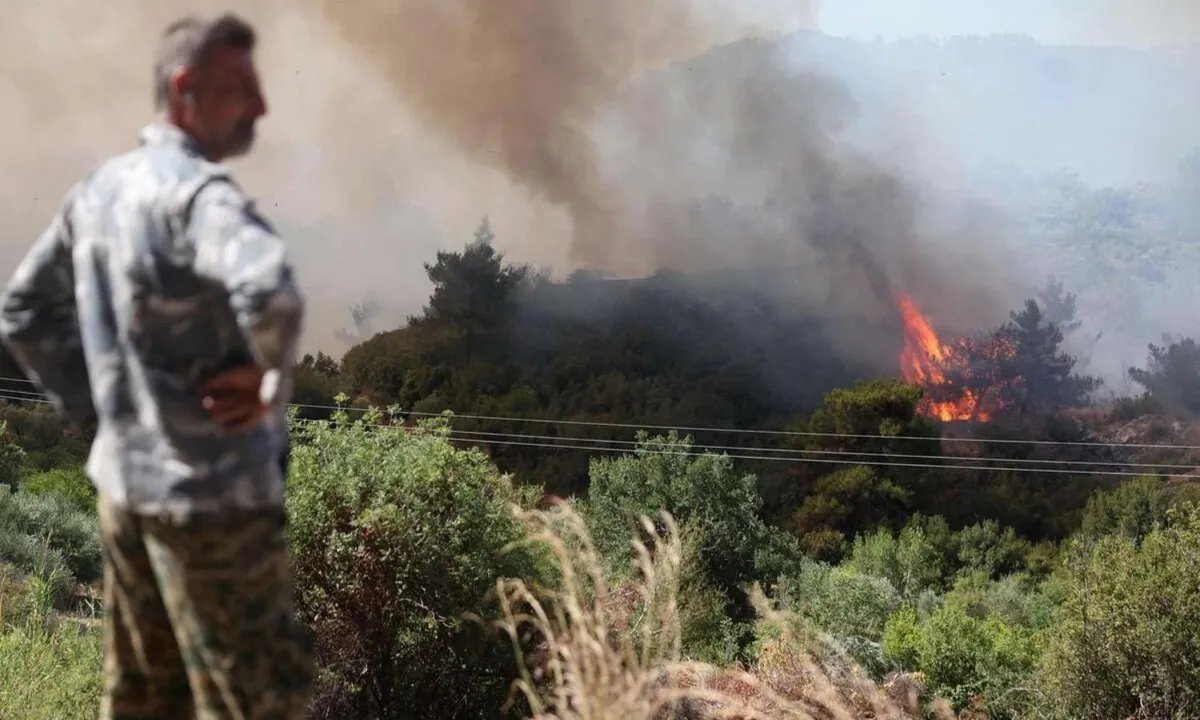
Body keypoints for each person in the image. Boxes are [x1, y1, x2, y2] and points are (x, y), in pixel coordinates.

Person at [0, 13, 313, 718]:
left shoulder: (99, 192)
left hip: (125, 497)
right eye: (243, 86)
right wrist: (271, 385)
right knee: (252, 703)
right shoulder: (199, 196)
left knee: (142, 701)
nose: (262, 105)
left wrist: (101, 416)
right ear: (185, 90)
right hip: (215, 507)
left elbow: (21, 313)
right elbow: (273, 293)